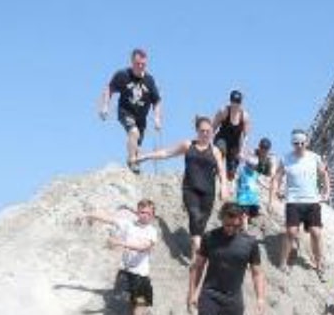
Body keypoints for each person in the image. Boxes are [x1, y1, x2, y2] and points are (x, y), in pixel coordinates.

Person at [136, 116, 227, 260]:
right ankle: (197, 257)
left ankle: (194, 254)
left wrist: (224, 187)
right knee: (194, 216)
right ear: (197, 131)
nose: (205, 134)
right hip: (190, 189)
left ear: (212, 132)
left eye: (208, 131)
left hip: (208, 193)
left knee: (200, 225)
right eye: (202, 131)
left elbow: (221, 170)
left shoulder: (215, 151)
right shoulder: (188, 145)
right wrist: (146, 156)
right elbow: (166, 153)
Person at [82, 199, 159, 315]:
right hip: (125, 271)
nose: (145, 215)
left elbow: (143, 247)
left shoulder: (152, 231)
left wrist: (120, 243)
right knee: (119, 296)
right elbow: (108, 219)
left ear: (152, 215)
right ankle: (135, 304)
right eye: (142, 212)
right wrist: (87, 215)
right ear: (137, 212)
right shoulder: (128, 224)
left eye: (148, 213)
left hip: (141, 275)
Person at [270, 129, 332, 274]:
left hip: (312, 201)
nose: (299, 145)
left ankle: (319, 263)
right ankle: (282, 262)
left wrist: (327, 192)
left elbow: (324, 175)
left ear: (306, 143)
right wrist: (275, 193)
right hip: (293, 201)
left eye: (302, 143)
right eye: (296, 143)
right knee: (291, 232)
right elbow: (277, 177)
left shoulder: (315, 158)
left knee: (316, 232)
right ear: (292, 143)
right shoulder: (286, 159)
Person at [98, 48, 162, 171]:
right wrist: (105, 106)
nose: (140, 66)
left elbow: (157, 101)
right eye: (137, 64)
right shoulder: (123, 75)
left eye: (143, 64)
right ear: (132, 62)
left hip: (141, 118)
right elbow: (109, 88)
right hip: (125, 112)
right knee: (133, 132)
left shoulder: (149, 80)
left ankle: (134, 164)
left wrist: (157, 118)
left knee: (137, 145)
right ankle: (131, 162)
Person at [212, 90, 252, 179]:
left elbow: (246, 136)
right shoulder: (224, 111)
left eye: (237, 102)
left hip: (235, 144)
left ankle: (227, 184)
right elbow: (213, 127)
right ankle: (216, 172)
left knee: (231, 172)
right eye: (233, 101)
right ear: (230, 101)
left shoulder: (244, 116)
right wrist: (208, 144)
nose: (235, 104)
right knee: (221, 149)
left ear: (241, 103)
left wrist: (242, 151)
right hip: (222, 139)